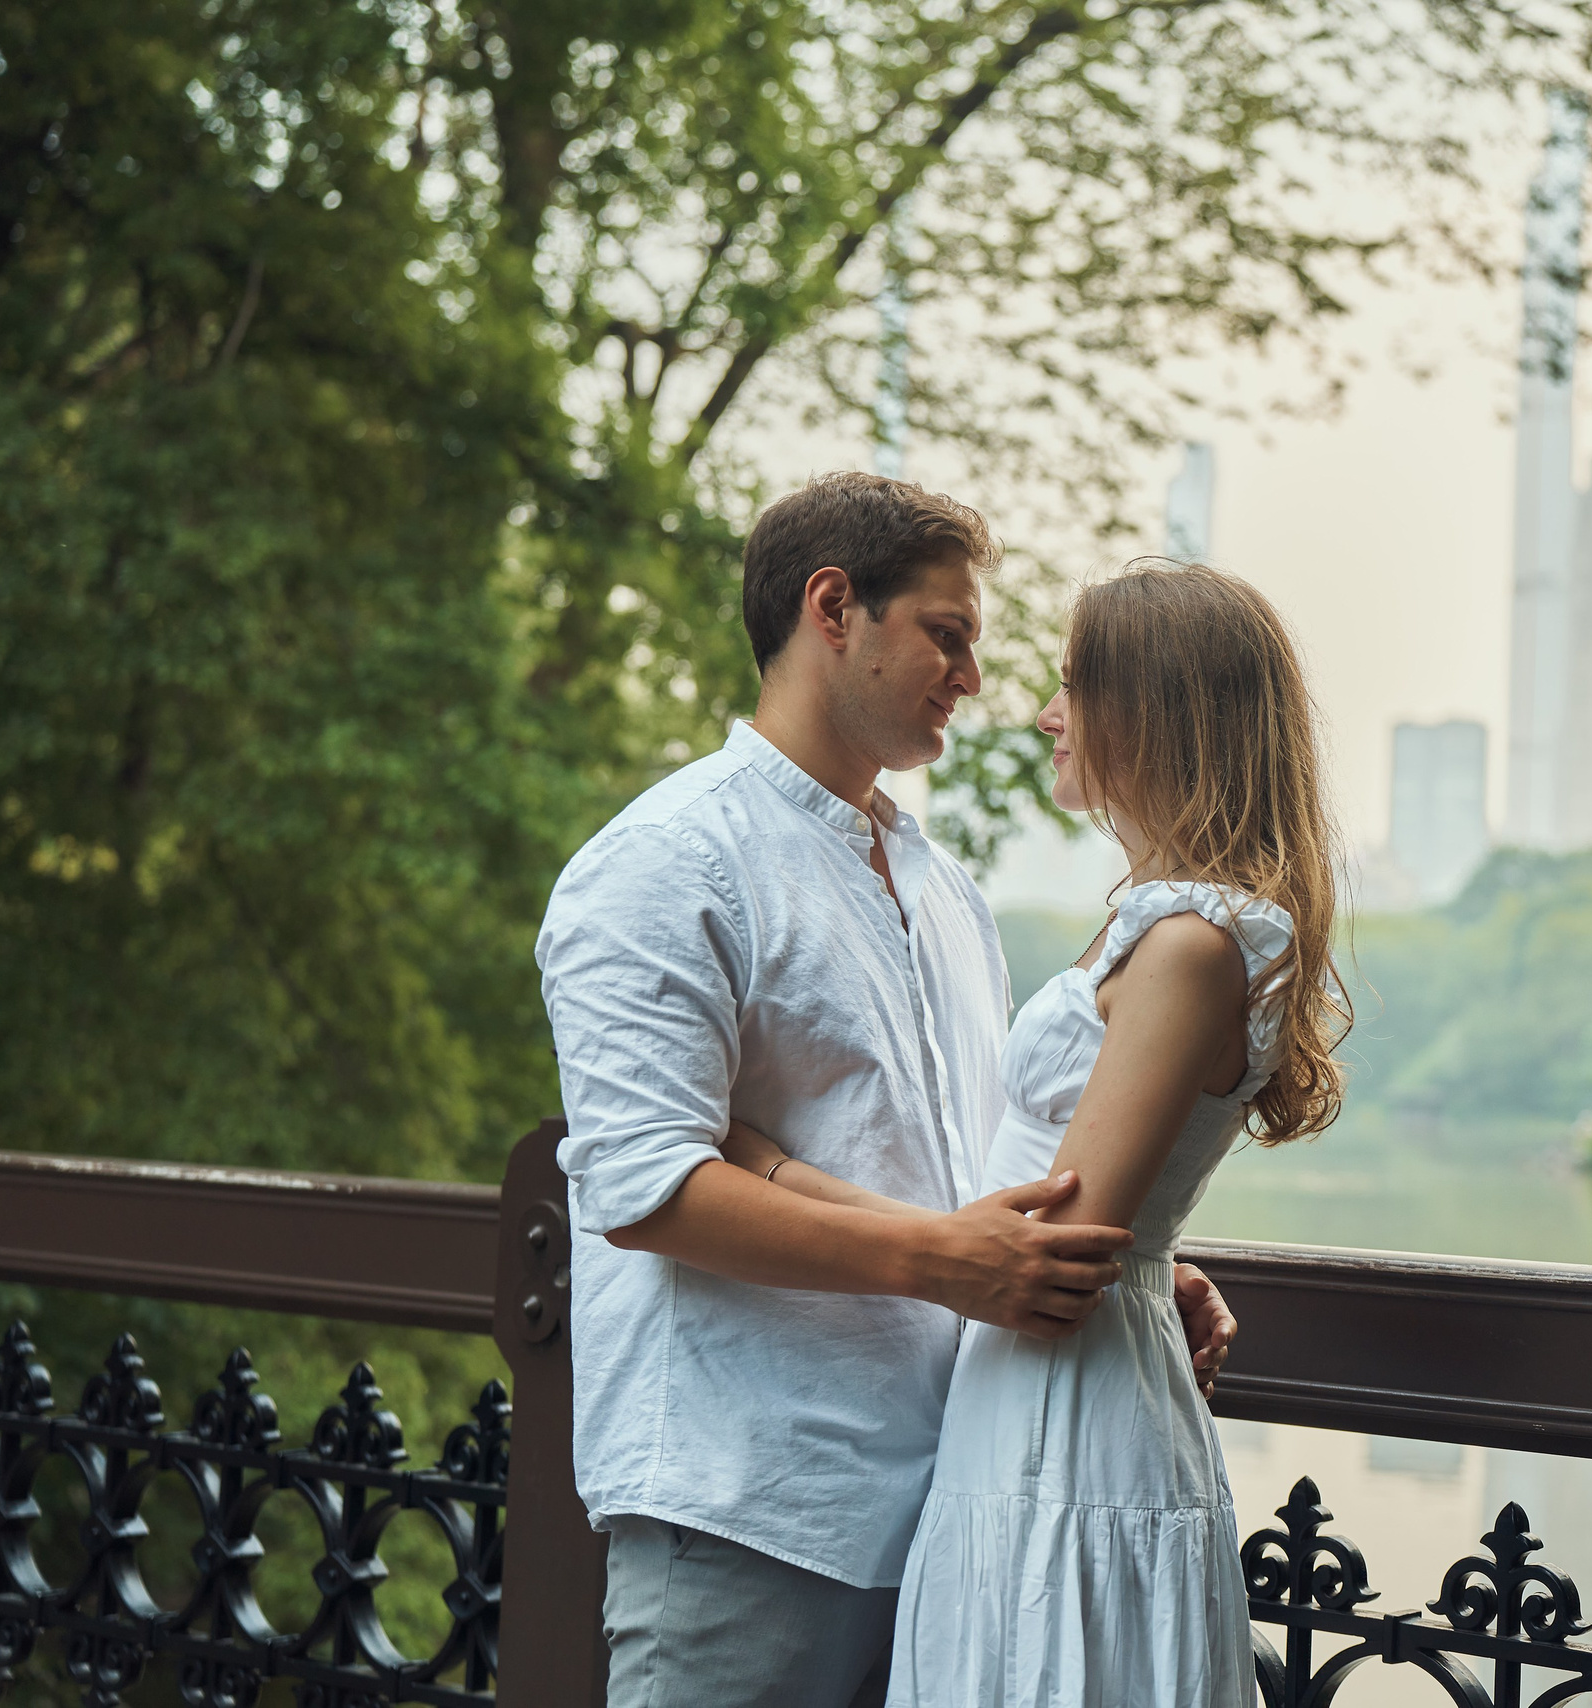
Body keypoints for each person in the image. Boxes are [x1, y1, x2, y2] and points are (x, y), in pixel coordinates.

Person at [535, 475, 1240, 1708]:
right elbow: (646, 1192)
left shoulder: (945, 891)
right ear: (832, 610)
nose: (975, 677)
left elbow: (963, 1169)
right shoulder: (664, 863)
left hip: (962, 1515)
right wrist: (943, 1261)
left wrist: (1105, 1266)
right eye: (948, 633)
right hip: (754, 1515)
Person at [722, 562, 1349, 1707]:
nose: (1047, 713)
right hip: (1028, 1389)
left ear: (1156, 711)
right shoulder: (1162, 925)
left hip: (1071, 1411)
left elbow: (1045, 1246)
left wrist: (772, 1169)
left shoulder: (1192, 943)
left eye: (1073, 685)